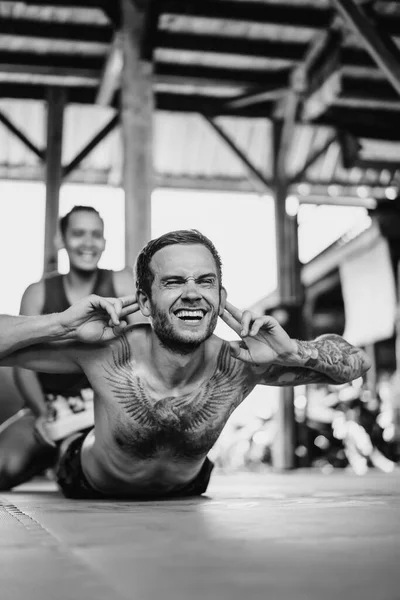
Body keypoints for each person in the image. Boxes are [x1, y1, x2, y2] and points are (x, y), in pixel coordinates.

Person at [0, 230, 371, 499]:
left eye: (205, 282)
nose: (192, 293)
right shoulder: (111, 353)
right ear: (145, 302)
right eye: (174, 282)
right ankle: (62, 434)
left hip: (188, 487)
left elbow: (357, 362)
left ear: (220, 296)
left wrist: (293, 353)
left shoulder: (241, 363)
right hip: (88, 479)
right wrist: (61, 323)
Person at [0, 205, 139, 490]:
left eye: (96, 235)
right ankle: (48, 455)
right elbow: (24, 367)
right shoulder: (38, 292)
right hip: (47, 406)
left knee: (109, 471)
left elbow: (141, 349)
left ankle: (62, 458)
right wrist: (41, 413)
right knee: (4, 466)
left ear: (104, 242)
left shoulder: (122, 282)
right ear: (61, 240)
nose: (88, 243)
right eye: (78, 234)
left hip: (103, 406)